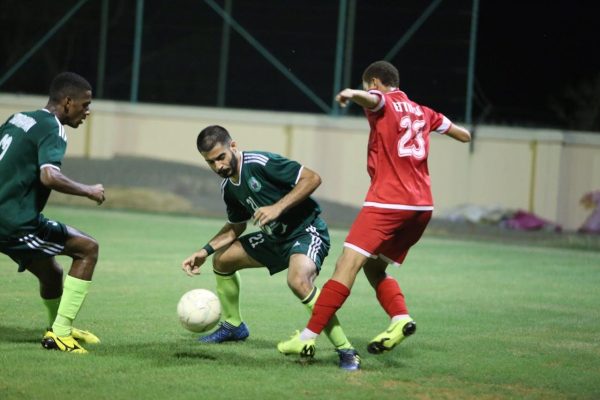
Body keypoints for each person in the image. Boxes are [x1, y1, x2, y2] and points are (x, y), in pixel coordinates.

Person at [277, 60, 471, 362]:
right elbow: (464, 135)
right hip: (421, 207)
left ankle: (307, 338)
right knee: (374, 267)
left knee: (346, 265)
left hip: (388, 203)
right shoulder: (424, 112)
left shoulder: (383, 101)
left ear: (376, 82)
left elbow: (374, 100)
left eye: (368, 86)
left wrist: (352, 94)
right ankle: (400, 318)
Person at [181, 125, 360, 370]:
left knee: (298, 281)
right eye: (211, 162)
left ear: (233, 146)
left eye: (221, 157)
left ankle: (346, 350)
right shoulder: (229, 187)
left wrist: (278, 208)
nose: (218, 166)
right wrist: (204, 251)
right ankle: (234, 326)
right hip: (274, 239)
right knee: (222, 260)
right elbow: (235, 227)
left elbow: (312, 178)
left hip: (305, 231)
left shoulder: (260, 163)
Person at [0, 72, 106, 354]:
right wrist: (89, 190)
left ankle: (57, 325)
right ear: (68, 102)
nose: (87, 112)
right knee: (87, 248)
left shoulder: (20, 118)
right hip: (14, 222)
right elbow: (49, 176)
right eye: (85, 104)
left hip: (8, 216)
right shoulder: (53, 128)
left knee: (51, 273)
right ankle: (60, 335)